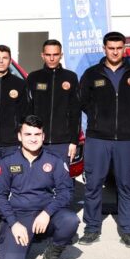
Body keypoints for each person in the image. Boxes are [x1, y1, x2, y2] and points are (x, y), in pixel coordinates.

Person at [77, 31, 130, 248]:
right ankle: (91, 229)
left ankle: (127, 231)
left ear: (124, 48)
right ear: (104, 48)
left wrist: (124, 120)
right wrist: (99, 118)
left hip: (125, 139)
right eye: (111, 48)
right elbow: (83, 102)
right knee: (93, 185)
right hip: (98, 139)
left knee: (127, 185)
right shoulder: (92, 74)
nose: (115, 51)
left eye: (119, 48)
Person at [0, 115, 79, 259]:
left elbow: (66, 192)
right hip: (19, 216)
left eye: (37, 134)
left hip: (44, 213)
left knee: (70, 220)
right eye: (28, 134)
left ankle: (52, 254)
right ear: (19, 136)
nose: (33, 139)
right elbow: (0, 197)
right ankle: (9, 241)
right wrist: (13, 223)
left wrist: (47, 212)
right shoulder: (8, 162)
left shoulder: (54, 160)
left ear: (43, 136)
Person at [26, 39, 80, 167]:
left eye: (55, 55)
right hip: (38, 140)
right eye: (48, 55)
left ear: (61, 55)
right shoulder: (34, 77)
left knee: (63, 182)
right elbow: (27, 110)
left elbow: (75, 112)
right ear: (42, 55)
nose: (51, 58)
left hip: (63, 143)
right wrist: (28, 137)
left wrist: (74, 141)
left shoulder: (70, 77)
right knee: (38, 182)